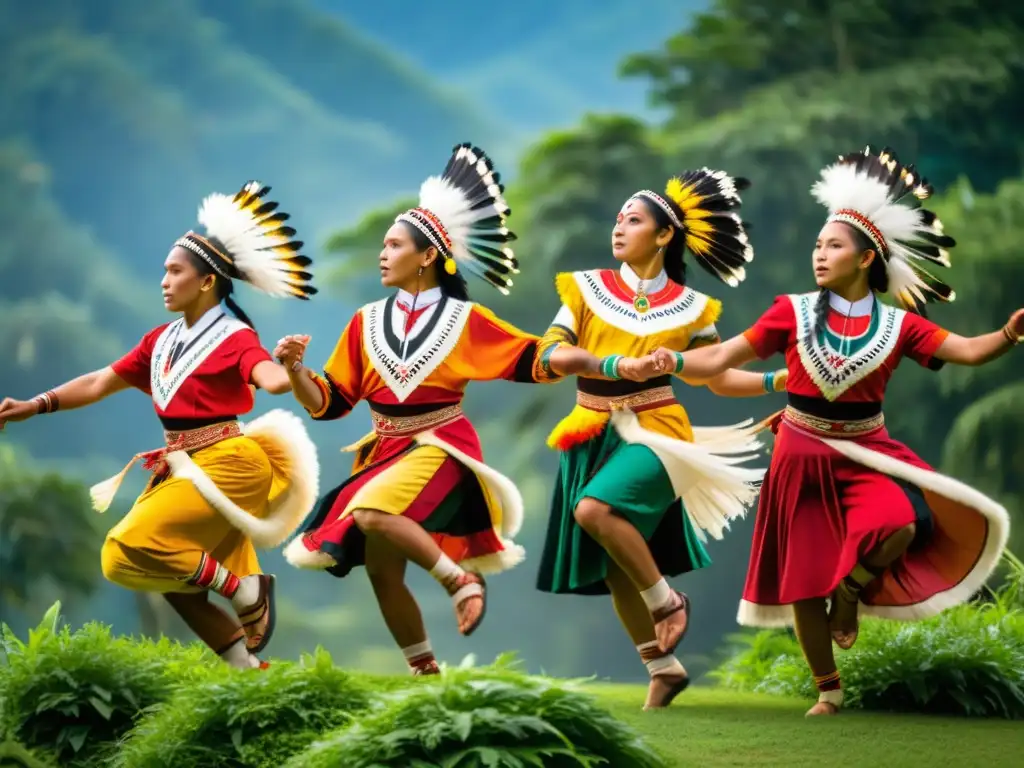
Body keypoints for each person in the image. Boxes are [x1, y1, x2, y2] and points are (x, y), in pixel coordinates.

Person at [655, 146, 1016, 716]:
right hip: (799, 452)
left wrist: (1010, 334)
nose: (820, 254)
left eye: (834, 245)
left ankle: (850, 589)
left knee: (901, 522)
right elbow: (723, 357)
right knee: (801, 578)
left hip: (868, 452)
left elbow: (968, 351)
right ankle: (828, 689)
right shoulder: (790, 312)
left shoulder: (899, 324)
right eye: (818, 245)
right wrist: (673, 363)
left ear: (867, 257)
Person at [276, 143, 647, 677]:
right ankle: (425, 675)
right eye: (383, 245)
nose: (383, 254)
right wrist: (295, 372)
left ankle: (460, 580)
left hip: (439, 446)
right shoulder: (364, 321)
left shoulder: (464, 320)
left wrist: (605, 362)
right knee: (382, 570)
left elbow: (536, 355)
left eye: (394, 245)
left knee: (371, 515)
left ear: (427, 256)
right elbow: (330, 401)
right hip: (384, 449)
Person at [0, 181, 321, 670]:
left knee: (134, 544)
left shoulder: (234, 336)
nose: (165, 281)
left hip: (230, 465)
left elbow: (270, 380)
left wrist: (292, 366)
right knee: (153, 573)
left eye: (175, 271)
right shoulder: (160, 341)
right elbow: (97, 382)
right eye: (164, 272)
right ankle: (250, 672)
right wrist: (35, 404)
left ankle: (246, 588)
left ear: (207, 281)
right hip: (185, 466)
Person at [533, 170, 786, 710]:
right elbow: (551, 356)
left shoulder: (694, 308)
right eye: (618, 218)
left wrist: (776, 381)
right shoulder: (584, 288)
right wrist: (613, 363)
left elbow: (714, 376)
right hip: (591, 431)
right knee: (616, 556)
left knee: (595, 512)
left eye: (633, 218)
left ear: (665, 235)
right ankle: (662, 667)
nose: (619, 227)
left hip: (658, 430)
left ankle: (668, 601)